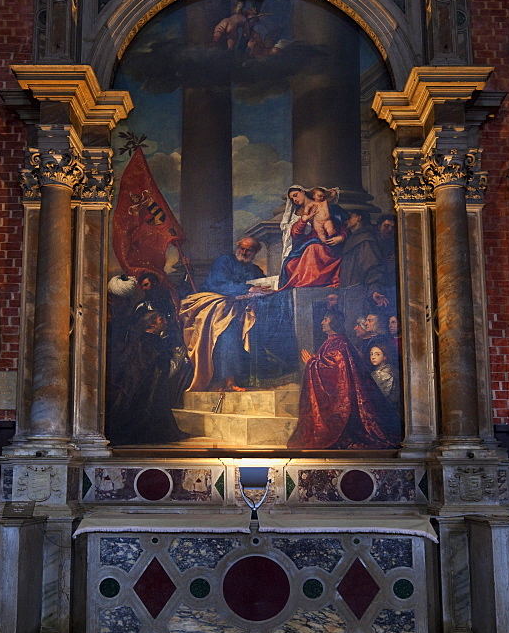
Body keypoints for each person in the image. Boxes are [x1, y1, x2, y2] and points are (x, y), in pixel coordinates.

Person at [287, 310, 398, 450]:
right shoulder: (333, 341)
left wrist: (313, 362)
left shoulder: (339, 343)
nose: (322, 322)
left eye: (325, 319)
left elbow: (337, 371)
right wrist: (316, 362)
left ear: (334, 321)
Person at [179, 237, 269, 391]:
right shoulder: (224, 261)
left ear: (255, 253)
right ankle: (228, 379)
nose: (244, 252)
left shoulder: (254, 270)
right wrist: (247, 290)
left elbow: (262, 284)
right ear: (238, 248)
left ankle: (263, 375)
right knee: (228, 327)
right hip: (214, 302)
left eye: (249, 250)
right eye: (242, 248)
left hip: (241, 305)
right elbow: (219, 284)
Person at [106, 310, 189, 445]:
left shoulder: (147, 339)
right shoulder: (148, 341)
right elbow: (156, 365)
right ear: (151, 323)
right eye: (161, 319)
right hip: (146, 385)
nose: (166, 322)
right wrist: (176, 357)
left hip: (148, 382)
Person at [279, 185, 349, 289]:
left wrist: (341, 237)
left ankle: (306, 286)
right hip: (309, 244)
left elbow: (345, 226)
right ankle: (302, 287)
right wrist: (304, 220)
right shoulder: (300, 213)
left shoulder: (327, 207)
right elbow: (295, 234)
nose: (295, 200)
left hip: (329, 244)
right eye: (293, 199)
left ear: (303, 192)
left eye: (296, 195)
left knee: (313, 249)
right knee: (290, 264)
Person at [338, 209, 388, 308]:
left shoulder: (365, 240)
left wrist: (375, 290)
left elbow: (372, 267)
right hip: (348, 295)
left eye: (351, 217)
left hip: (359, 296)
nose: (347, 221)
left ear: (358, 218)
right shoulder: (354, 239)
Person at [368, 342, 400, 407]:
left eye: (377, 354)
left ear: (385, 357)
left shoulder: (386, 374)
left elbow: (380, 396)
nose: (373, 357)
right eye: (371, 354)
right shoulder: (376, 372)